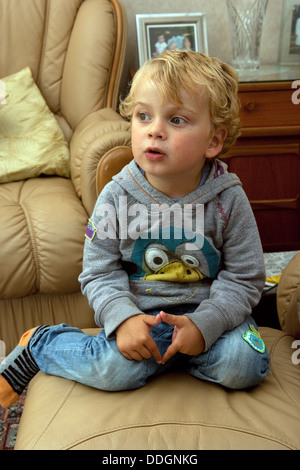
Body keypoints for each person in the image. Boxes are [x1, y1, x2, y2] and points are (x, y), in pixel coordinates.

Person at [0, 51, 270, 408]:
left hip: (213, 324)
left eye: (176, 119)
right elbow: (98, 272)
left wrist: (205, 326)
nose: (154, 129)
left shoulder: (228, 199)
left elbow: (245, 277)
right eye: (143, 116)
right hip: (140, 321)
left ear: (213, 142)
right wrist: (123, 319)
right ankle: (41, 344)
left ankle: (182, 357)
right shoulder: (116, 196)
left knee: (245, 365)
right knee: (116, 372)